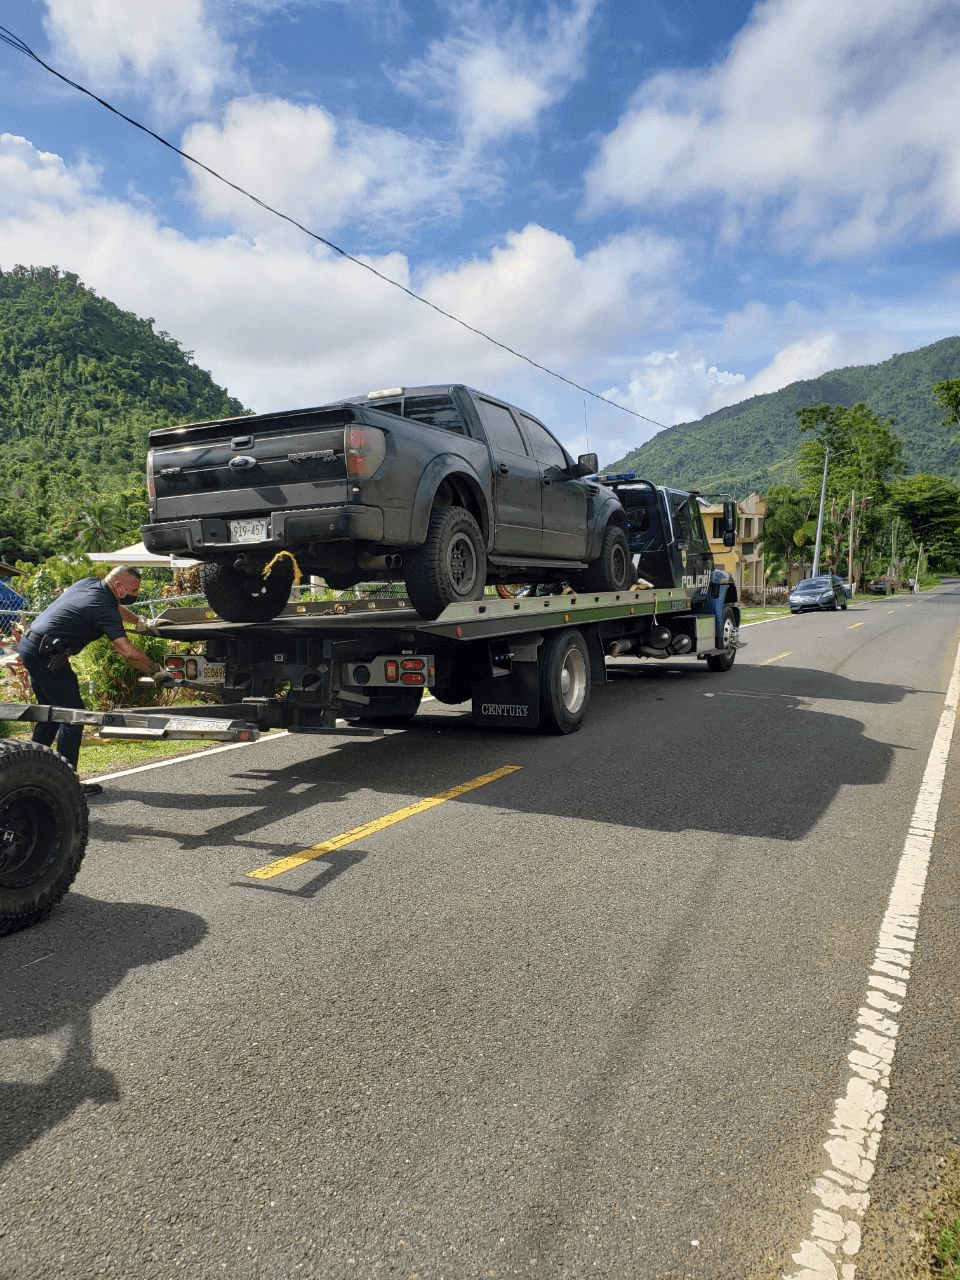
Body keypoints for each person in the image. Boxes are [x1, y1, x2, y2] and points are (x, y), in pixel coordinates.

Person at [16, 566, 166, 796]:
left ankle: (28, 774)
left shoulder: (89, 584)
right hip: (45, 653)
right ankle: (66, 784)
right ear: (118, 585)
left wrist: (139, 621)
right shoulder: (104, 608)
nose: (136, 593)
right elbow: (127, 652)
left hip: (30, 645)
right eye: (133, 589)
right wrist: (155, 671)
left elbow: (117, 606)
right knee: (73, 716)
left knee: (49, 713)